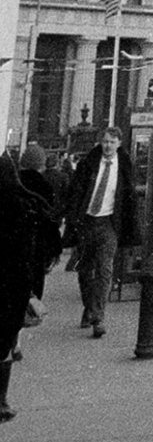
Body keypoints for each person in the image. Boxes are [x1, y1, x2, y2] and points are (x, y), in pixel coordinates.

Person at [64, 124, 139, 336]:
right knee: (85, 270)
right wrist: (73, 218)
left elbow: (129, 197)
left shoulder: (124, 167)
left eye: (112, 142)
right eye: (105, 141)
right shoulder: (88, 164)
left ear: (119, 144)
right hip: (87, 221)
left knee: (105, 270)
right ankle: (89, 307)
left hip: (109, 223)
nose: (108, 146)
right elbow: (75, 192)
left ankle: (98, 317)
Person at [1, 155, 60, 423]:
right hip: (14, 288)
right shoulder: (27, 205)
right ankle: (1, 401)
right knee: (6, 343)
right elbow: (45, 247)